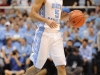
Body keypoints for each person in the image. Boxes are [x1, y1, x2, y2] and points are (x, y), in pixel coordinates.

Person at [25, 0, 66, 75]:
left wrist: (69, 16)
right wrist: (46, 20)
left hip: (56, 34)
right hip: (44, 33)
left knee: (61, 66)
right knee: (37, 67)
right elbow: (32, 14)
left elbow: (57, 17)